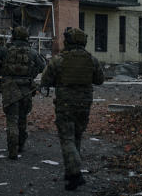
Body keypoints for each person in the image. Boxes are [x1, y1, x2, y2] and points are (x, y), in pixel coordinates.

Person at [40, 27, 105, 190]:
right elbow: (99, 80)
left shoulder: (59, 59)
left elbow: (46, 80)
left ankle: (75, 173)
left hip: (66, 103)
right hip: (84, 103)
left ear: (68, 41)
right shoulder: (91, 59)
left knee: (67, 138)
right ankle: (71, 174)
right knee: (77, 136)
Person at [0, 26, 46, 159]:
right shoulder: (32, 52)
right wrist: (31, 74)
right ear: (26, 37)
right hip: (26, 89)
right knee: (23, 118)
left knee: (12, 119)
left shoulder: (6, 50)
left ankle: (12, 151)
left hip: (10, 88)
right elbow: (42, 66)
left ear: (14, 36)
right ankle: (21, 146)